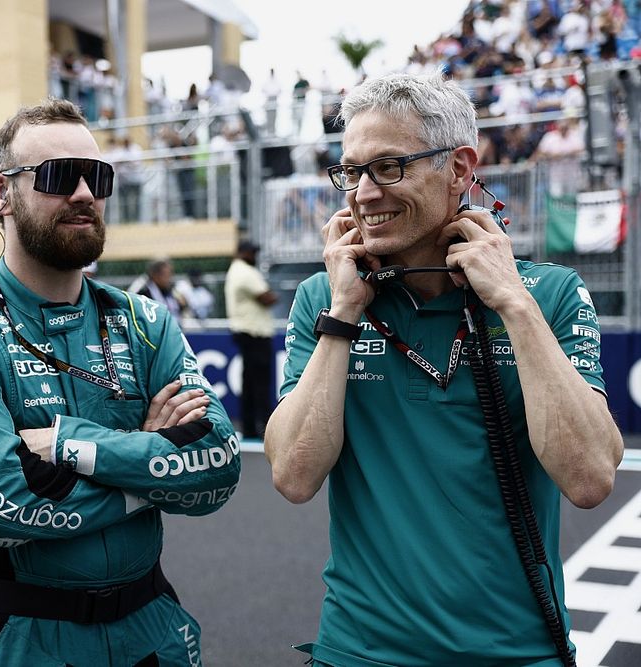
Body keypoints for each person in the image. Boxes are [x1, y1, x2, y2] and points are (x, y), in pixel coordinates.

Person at [264, 72, 624, 666]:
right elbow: (295, 477)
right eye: (350, 172)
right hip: (359, 651)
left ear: (459, 169)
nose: (363, 192)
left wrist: (512, 302)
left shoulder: (550, 294)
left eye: (388, 167)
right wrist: (344, 312)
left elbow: (589, 479)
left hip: (518, 653)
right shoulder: (322, 300)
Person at [0, 98, 241, 667]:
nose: (85, 193)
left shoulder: (144, 321)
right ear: (2, 192)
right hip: (25, 637)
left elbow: (219, 466)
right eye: (58, 176)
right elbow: (3, 498)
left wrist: (65, 446)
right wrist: (150, 470)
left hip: (155, 629)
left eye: (97, 177)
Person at [224, 240, 278, 439]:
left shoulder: (235, 270)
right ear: (243, 252)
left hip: (245, 332)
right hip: (254, 333)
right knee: (260, 385)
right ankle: (265, 427)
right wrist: (273, 295)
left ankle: (249, 428)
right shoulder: (245, 272)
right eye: (252, 252)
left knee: (250, 384)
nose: (254, 256)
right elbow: (268, 298)